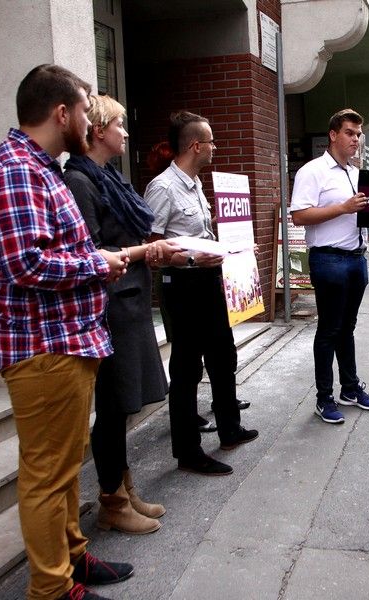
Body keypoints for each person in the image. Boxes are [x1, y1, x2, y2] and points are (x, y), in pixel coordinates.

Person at [0, 64, 133, 600]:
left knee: (62, 469)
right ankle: (52, 588)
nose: (90, 122)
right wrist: (96, 264)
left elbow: (51, 251)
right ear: (61, 113)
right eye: (85, 111)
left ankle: (72, 560)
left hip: (62, 341)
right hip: (44, 346)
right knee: (47, 475)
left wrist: (97, 260)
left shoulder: (38, 168)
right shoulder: (17, 170)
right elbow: (26, 264)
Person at [64, 95, 182, 535]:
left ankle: (124, 489)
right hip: (109, 307)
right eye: (119, 124)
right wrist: (144, 251)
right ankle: (112, 500)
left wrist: (147, 251)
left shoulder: (109, 177)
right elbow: (91, 253)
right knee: (113, 406)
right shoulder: (80, 181)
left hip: (129, 301)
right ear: (98, 131)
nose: (126, 133)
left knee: (124, 404)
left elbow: (124, 240)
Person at [143, 111, 258, 476]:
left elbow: (201, 236)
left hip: (209, 281)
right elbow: (152, 249)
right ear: (195, 145)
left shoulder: (194, 183)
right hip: (183, 286)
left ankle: (229, 429)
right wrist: (193, 258)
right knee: (187, 367)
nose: (215, 148)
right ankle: (188, 452)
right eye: (211, 142)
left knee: (223, 356)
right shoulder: (163, 188)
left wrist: (234, 244)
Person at [290, 108, 369, 424]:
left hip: (357, 257)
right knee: (329, 330)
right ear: (333, 135)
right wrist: (343, 207)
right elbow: (299, 216)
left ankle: (350, 389)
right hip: (328, 258)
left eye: (358, 134)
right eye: (349, 133)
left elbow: (363, 218)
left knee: (347, 328)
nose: (356, 139)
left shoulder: (357, 174)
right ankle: (324, 398)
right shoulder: (312, 171)